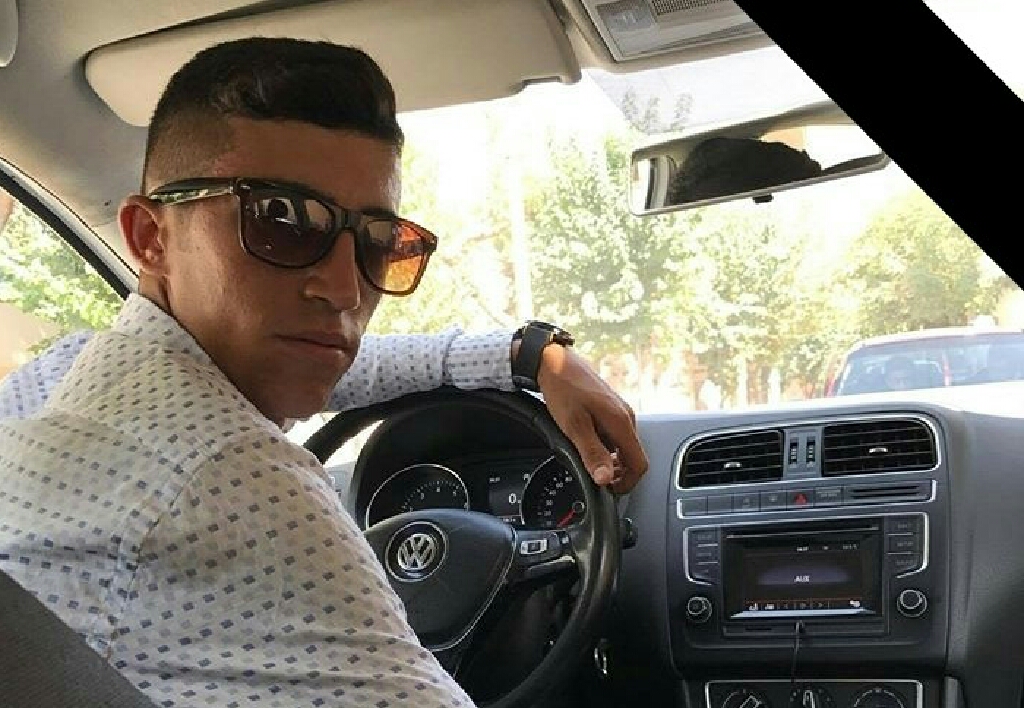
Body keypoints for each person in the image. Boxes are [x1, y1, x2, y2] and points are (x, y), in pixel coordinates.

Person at [0, 37, 648, 707]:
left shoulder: (60, 378)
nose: (342, 290)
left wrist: (530, 355)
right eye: (282, 221)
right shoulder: (234, 475)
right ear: (150, 238)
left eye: (380, 243)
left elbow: (328, 366)